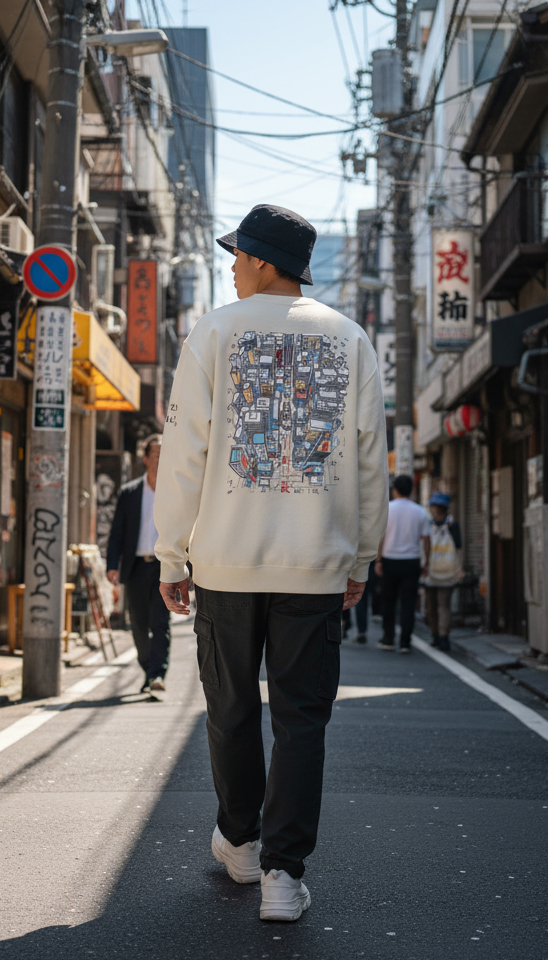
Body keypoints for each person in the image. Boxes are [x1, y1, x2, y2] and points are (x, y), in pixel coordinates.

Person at [153, 204, 389, 922]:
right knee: (301, 720)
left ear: (259, 260)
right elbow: (372, 456)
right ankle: (284, 874)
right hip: (315, 563)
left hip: (224, 561)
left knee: (228, 709)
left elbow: (185, 449)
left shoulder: (217, 331)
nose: (229, 265)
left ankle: (241, 839)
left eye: (236, 255)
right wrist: (364, 554)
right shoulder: (350, 339)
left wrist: (171, 552)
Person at [106, 435, 170, 694]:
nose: (159, 460)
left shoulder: (175, 492)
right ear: (144, 459)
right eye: (155, 454)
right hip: (136, 567)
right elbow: (117, 532)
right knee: (139, 625)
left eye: (163, 454)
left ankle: (157, 674)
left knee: (160, 622)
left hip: (165, 567)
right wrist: (112, 565)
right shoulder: (129, 493)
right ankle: (148, 668)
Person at [375, 475, 430, 654]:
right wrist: (426, 561)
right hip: (411, 561)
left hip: (390, 560)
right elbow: (426, 539)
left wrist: (378, 560)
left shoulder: (387, 509)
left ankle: (388, 638)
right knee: (408, 603)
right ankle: (405, 642)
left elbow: (380, 537)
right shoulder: (420, 511)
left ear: (395, 490)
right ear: (412, 490)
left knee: (388, 601)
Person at [423, 492, 462, 651]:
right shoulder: (453, 525)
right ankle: (443, 635)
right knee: (443, 606)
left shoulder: (428, 524)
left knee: (432, 606)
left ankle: (437, 636)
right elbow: (459, 548)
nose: (434, 510)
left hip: (431, 570)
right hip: (447, 571)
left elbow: (423, 547)